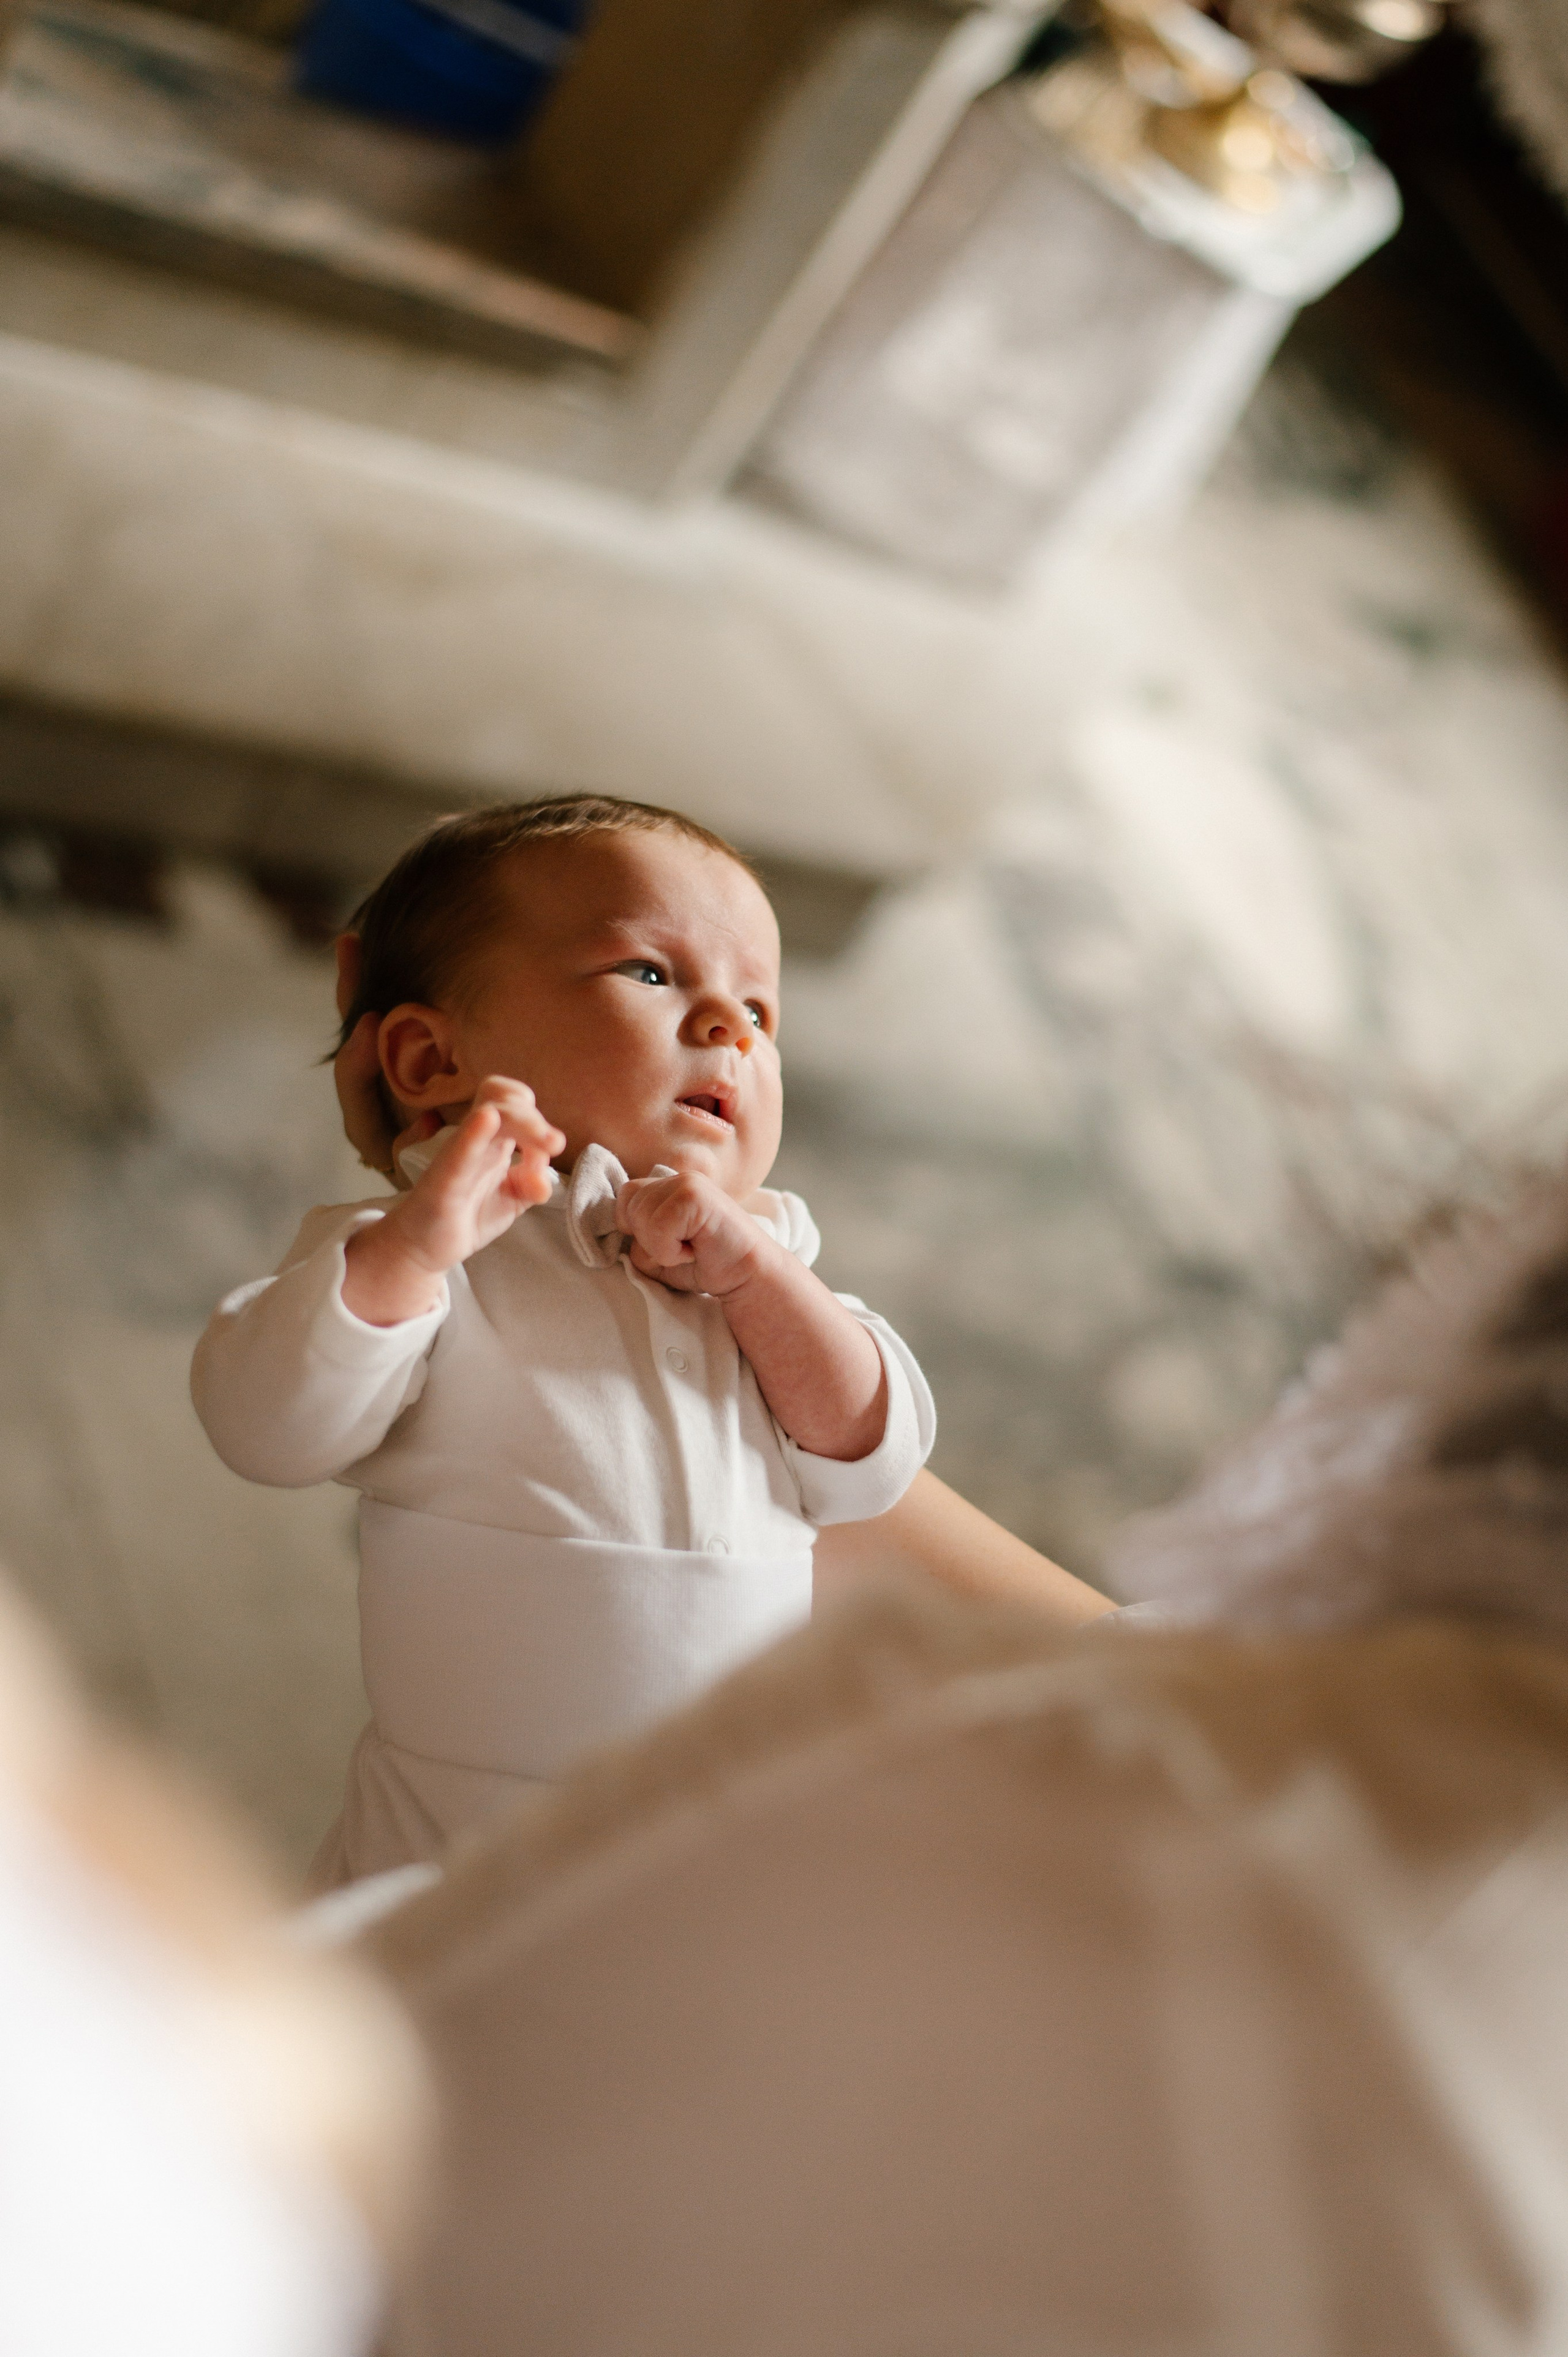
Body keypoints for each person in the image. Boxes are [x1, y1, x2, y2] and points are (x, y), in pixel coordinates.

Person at [193, 796, 951, 1887]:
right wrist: (413, 1247)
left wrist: (761, 1280)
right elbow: (265, 1429)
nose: (730, 1027)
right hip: (454, 1841)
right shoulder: (431, 1257)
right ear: (428, 1058)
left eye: (759, 1008)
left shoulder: (768, 1264)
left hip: (737, 1831)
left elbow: (873, 1462)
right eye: (651, 972)